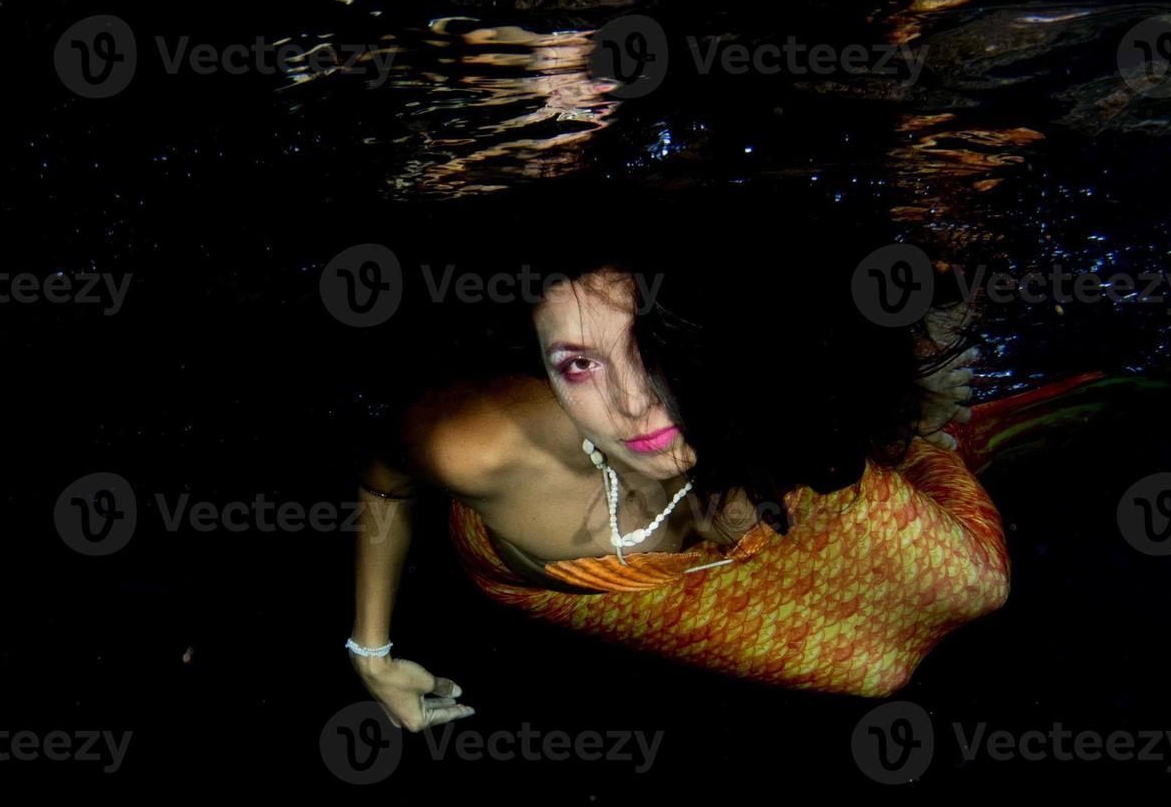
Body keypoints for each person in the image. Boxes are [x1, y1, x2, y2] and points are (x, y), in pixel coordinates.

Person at [345, 183, 1008, 728]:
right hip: (588, 590)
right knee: (875, 674)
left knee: (981, 584)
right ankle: (923, 431)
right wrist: (370, 654)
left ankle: (923, 430)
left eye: (649, 350)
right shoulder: (475, 445)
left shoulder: (754, 393)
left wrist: (892, 394)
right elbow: (385, 482)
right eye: (577, 365)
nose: (632, 407)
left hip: (764, 505)